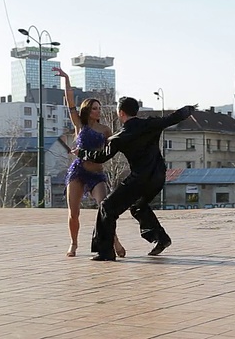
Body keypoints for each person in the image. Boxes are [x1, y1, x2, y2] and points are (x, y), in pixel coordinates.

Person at [75, 97, 195, 261]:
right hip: (158, 176)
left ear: (121, 113)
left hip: (140, 179)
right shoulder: (150, 124)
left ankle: (105, 252)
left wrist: (82, 153)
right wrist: (187, 109)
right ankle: (161, 238)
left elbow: (101, 157)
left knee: (107, 207)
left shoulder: (120, 136)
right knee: (138, 206)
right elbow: (171, 118)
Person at [53, 67, 125, 258]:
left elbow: (114, 146)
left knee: (105, 209)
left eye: (99, 108)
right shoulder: (80, 125)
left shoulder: (105, 129)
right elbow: (69, 102)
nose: (98, 111)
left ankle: (114, 240)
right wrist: (67, 79)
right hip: (78, 172)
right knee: (74, 212)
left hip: (97, 174)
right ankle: (74, 243)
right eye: (94, 108)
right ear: (87, 110)